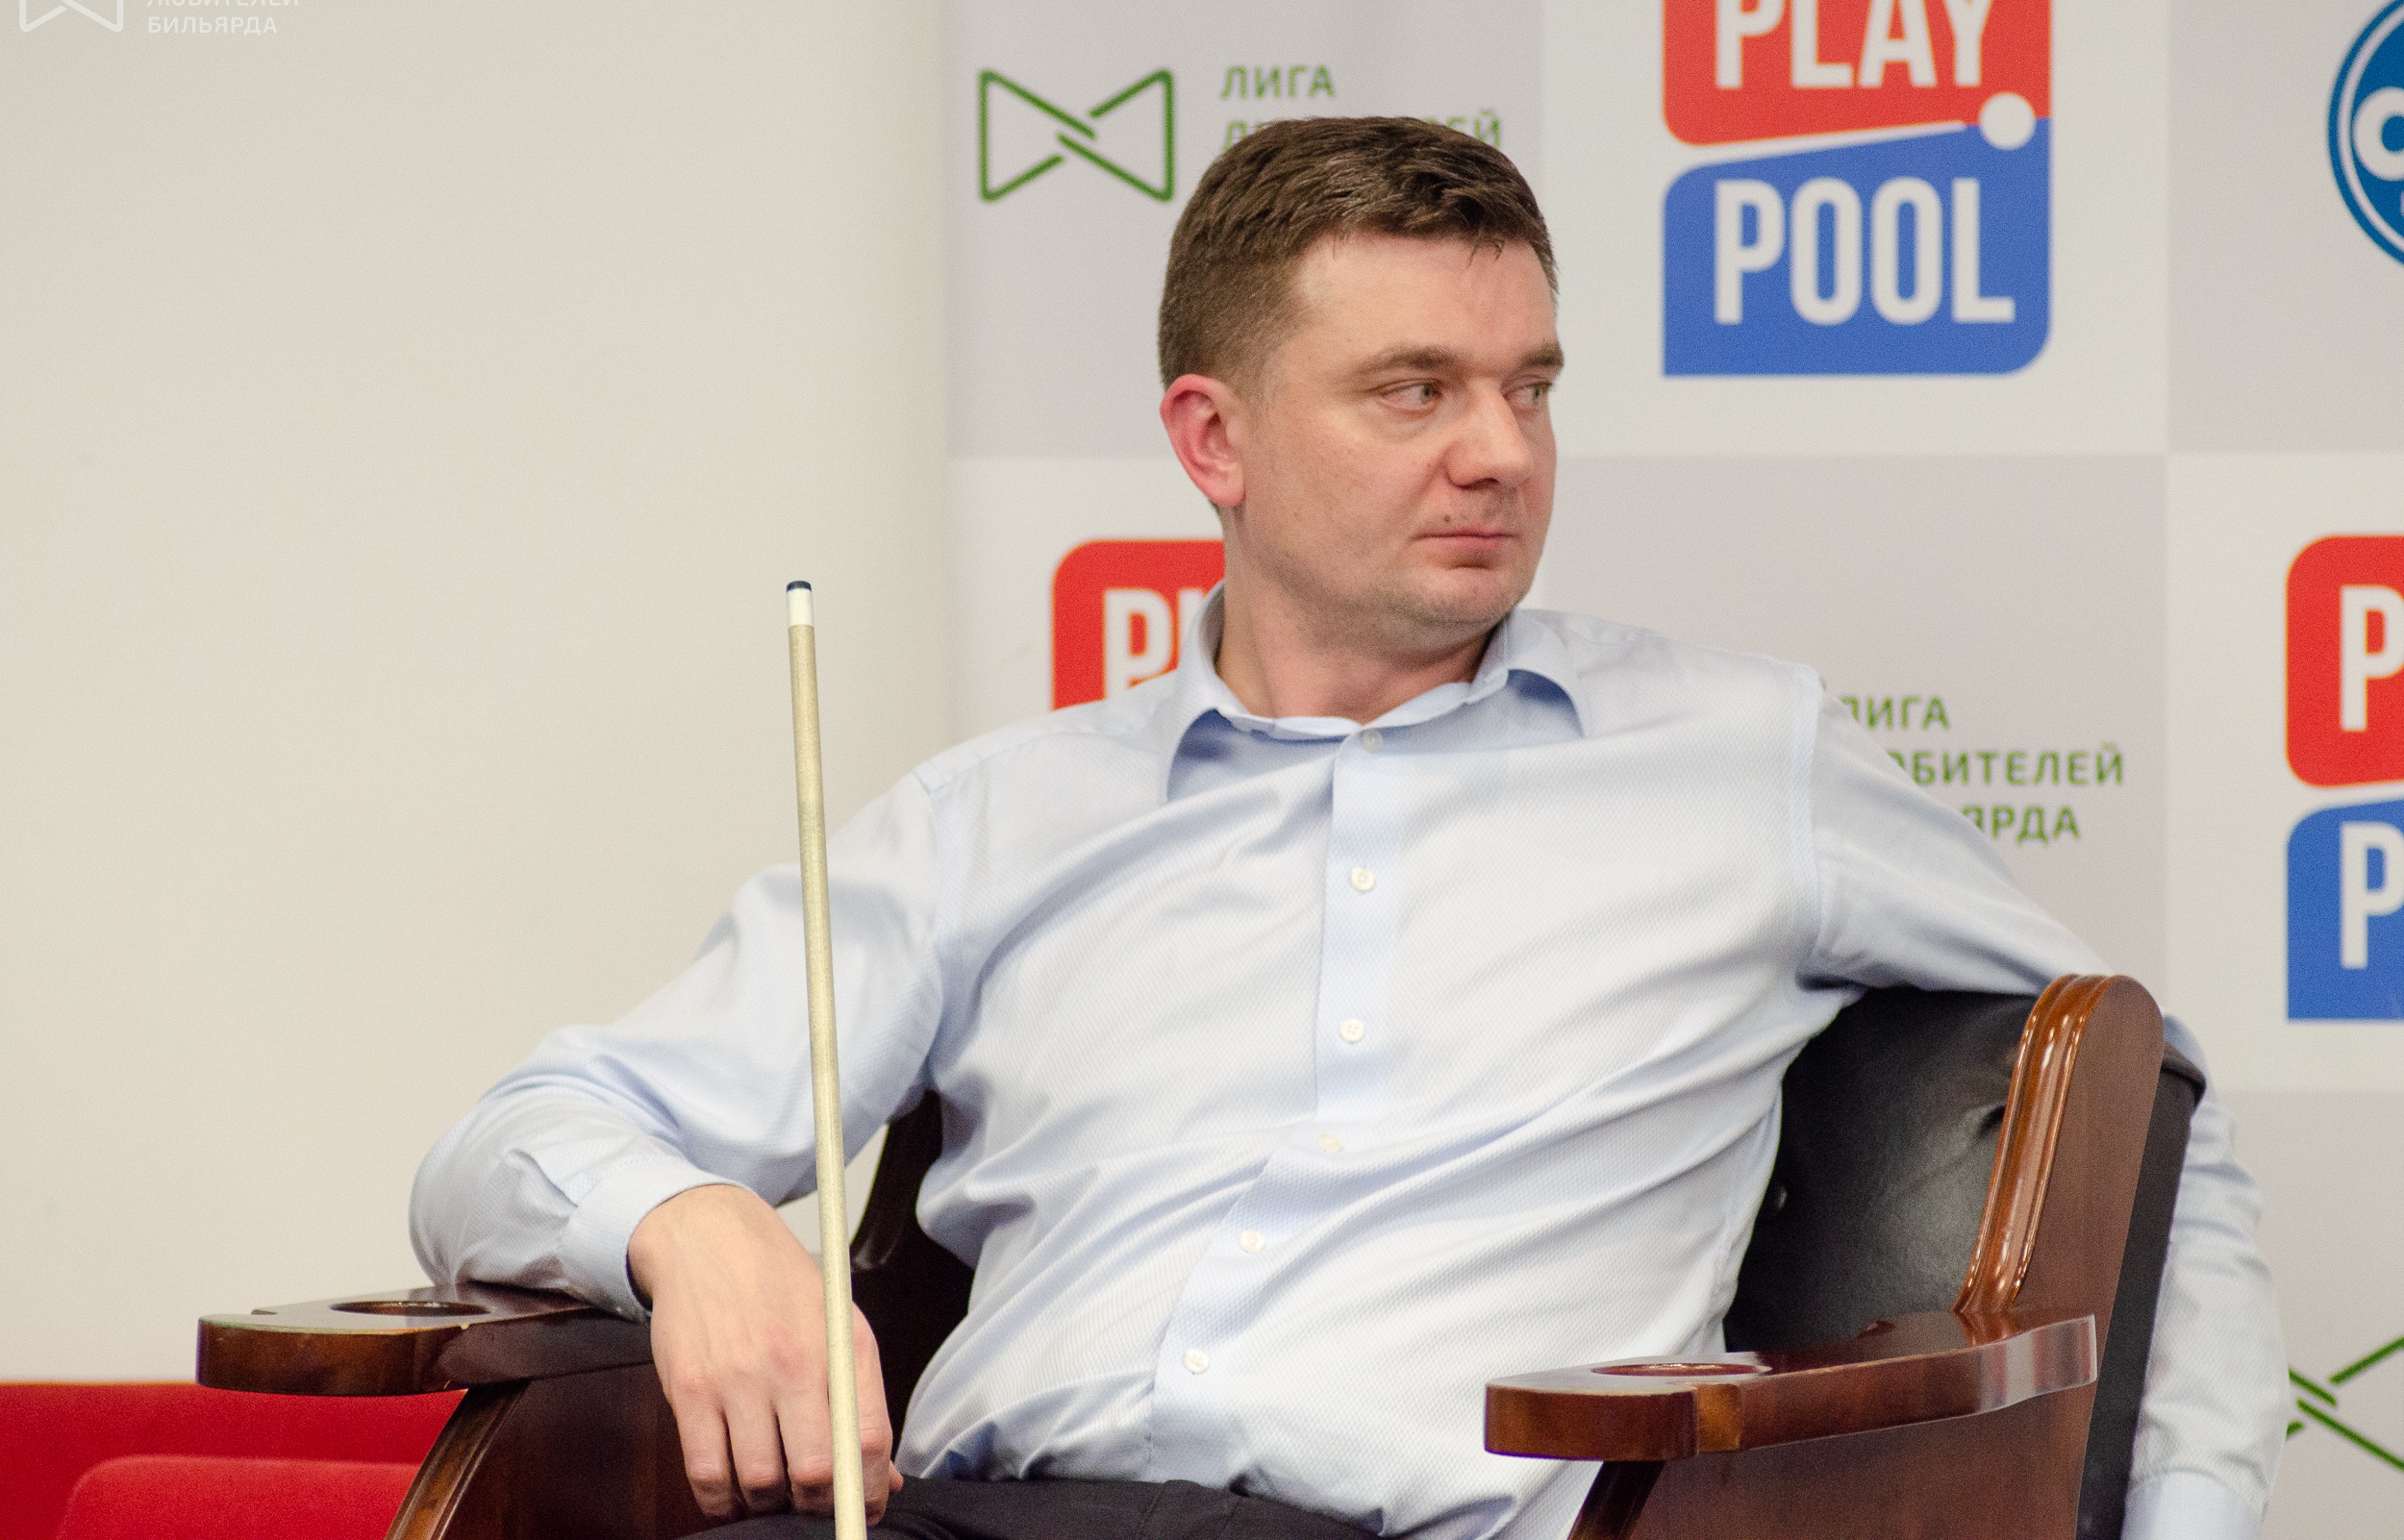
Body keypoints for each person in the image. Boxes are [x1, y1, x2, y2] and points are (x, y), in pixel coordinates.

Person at [411, 117, 2284, 1540]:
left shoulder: (1740, 759)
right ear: (1211, 440)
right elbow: (506, 1146)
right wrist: (690, 1223)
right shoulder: (998, 818)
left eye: (1527, 389)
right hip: (971, 1517)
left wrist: (2187, 1514)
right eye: (1414, 392)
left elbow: (2150, 1115)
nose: (1500, 451)